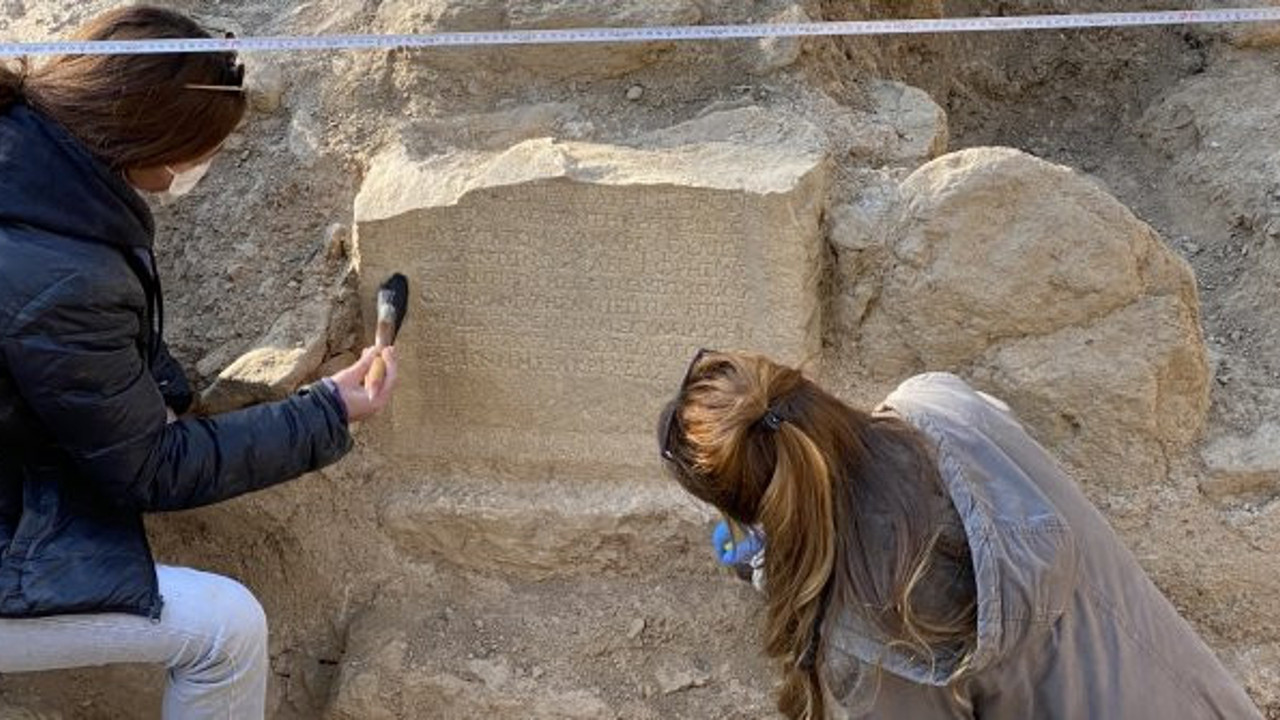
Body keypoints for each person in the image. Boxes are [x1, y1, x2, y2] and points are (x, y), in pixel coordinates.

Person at [0, 7, 398, 718]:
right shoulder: (62, 271)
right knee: (224, 628)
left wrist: (166, 392)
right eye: (202, 150)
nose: (199, 168)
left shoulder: (32, 171)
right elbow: (150, 469)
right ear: (157, 144)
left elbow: (79, 354)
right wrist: (328, 412)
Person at [658, 349, 1262, 719]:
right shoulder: (942, 406)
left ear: (746, 511)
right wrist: (786, 549)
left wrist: (787, 560)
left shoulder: (866, 647)